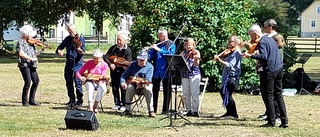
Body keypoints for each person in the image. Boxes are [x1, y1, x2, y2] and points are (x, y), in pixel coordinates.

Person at [244, 24, 288, 128]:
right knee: (278, 95)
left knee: (268, 96)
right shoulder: (270, 39)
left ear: (255, 34)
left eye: (251, 36)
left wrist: (251, 55)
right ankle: (284, 121)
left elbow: (264, 56)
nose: (251, 39)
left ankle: (271, 121)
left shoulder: (262, 41)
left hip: (270, 71)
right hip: (279, 68)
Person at [55, 24, 86, 107]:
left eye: (72, 30)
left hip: (78, 64)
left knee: (78, 83)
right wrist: (59, 51)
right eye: (69, 31)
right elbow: (59, 47)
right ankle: (71, 100)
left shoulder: (80, 39)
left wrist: (80, 50)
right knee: (68, 82)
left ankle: (79, 101)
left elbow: (83, 52)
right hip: (68, 64)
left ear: (75, 29)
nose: (71, 32)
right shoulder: (68, 39)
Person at [257, 19, 281, 121]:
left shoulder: (275, 38)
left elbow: (268, 55)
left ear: (270, 27)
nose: (263, 29)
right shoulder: (267, 38)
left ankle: (276, 115)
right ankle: (269, 112)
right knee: (265, 92)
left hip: (271, 68)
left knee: (272, 94)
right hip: (267, 67)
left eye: (265, 27)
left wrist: (252, 56)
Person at [120, 50, 156, 117]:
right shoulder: (132, 65)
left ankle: (151, 110)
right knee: (129, 88)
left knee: (149, 88)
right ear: (137, 59)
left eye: (143, 60)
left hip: (144, 86)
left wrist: (136, 79)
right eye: (140, 60)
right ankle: (127, 110)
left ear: (146, 59)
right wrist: (123, 82)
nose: (142, 62)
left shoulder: (150, 67)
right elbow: (124, 76)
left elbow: (147, 79)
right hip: (134, 86)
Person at [148, 28, 176, 114]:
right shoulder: (157, 44)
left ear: (166, 35)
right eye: (160, 36)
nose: (162, 38)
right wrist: (147, 52)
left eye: (164, 36)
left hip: (167, 71)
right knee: (154, 91)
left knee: (167, 92)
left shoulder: (171, 44)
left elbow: (170, 54)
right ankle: (154, 110)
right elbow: (150, 57)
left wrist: (159, 50)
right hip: (156, 72)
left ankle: (165, 110)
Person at [213, 35, 242, 119]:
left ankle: (233, 113)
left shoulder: (237, 52)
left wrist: (220, 60)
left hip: (232, 76)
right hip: (227, 76)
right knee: (224, 92)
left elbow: (230, 65)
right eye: (228, 41)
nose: (228, 43)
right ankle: (229, 112)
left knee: (227, 93)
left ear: (235, 43)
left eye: (230, 42)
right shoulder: (231, 52)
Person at [103, 32, 132, 111]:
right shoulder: (113, 48)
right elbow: (105, 57)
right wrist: (110, 64)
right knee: (115, 87)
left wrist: (123, 65)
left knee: (122, 87)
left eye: (120, 40)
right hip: (114, 71)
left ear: (125, 40)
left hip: (123, 72)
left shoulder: (128, 50)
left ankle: (123, 103)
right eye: (117, 40)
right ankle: (117, 103)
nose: (118, 42)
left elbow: (129, 62)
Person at [16, 25, 41, 106]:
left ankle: (32, 100)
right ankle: (24, 101)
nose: (31, 35)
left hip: (32, 64)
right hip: (24, 64)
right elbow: (21, 54)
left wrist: (39, 51)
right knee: (28, 82)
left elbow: (35, 52)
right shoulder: (20, 42)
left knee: (36, 81)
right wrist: (31, 58)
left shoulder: (31, 42)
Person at [179, 38, 201, 117]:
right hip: (185, 75)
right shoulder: (183, 53)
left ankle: (195, 111)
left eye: (189, 45)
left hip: (194, 74)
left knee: (194, 93)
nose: (188, 46)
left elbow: (196, 65)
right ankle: (189, 110)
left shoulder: (196, 52)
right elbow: (179, 61)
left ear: (193, 45)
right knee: (186, 94)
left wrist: (196, 59)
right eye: (186, 45)